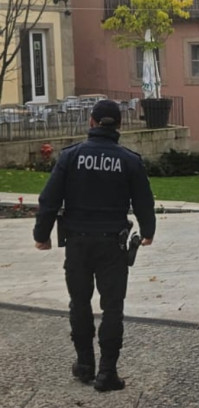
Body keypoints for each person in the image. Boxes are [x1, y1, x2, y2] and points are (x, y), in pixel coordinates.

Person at [33, 98, 156, 391]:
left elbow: (49, 199)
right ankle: (107, 372)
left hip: (77, 242)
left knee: (79, 302)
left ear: (91, 122)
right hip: (112, 244)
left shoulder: (70, 156)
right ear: (119, 126)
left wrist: (42, 234)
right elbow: (143, 202)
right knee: (112, 307)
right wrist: (148, 230)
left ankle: (85, 364)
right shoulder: (128, 160)